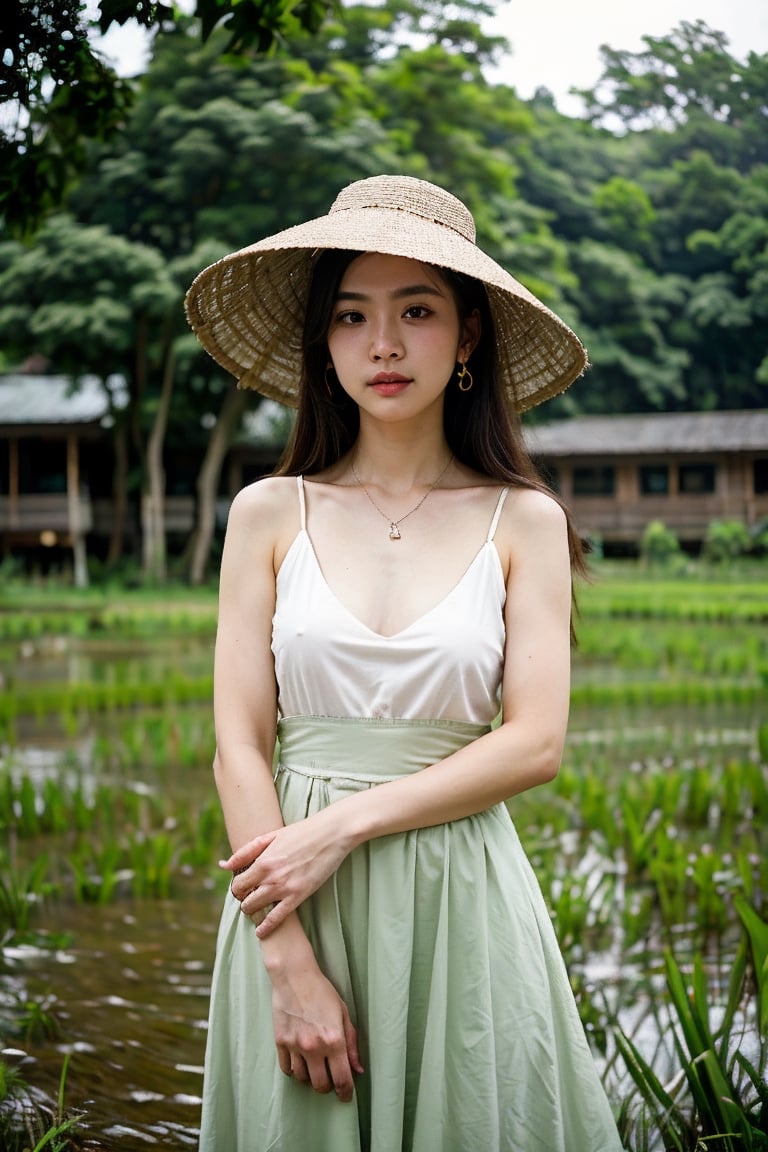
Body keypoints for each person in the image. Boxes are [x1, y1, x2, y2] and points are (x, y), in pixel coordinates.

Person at [185, 174, 623, 1151]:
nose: (382, 344)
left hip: (455, 896)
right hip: (288, 899)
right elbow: (238, 743)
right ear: (325, 341)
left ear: (467, 335)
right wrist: (286, 957)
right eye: (352, 315)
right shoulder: (266, 512)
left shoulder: (526, 521)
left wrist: (337, 828)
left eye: (415, 311)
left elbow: (536, 743)